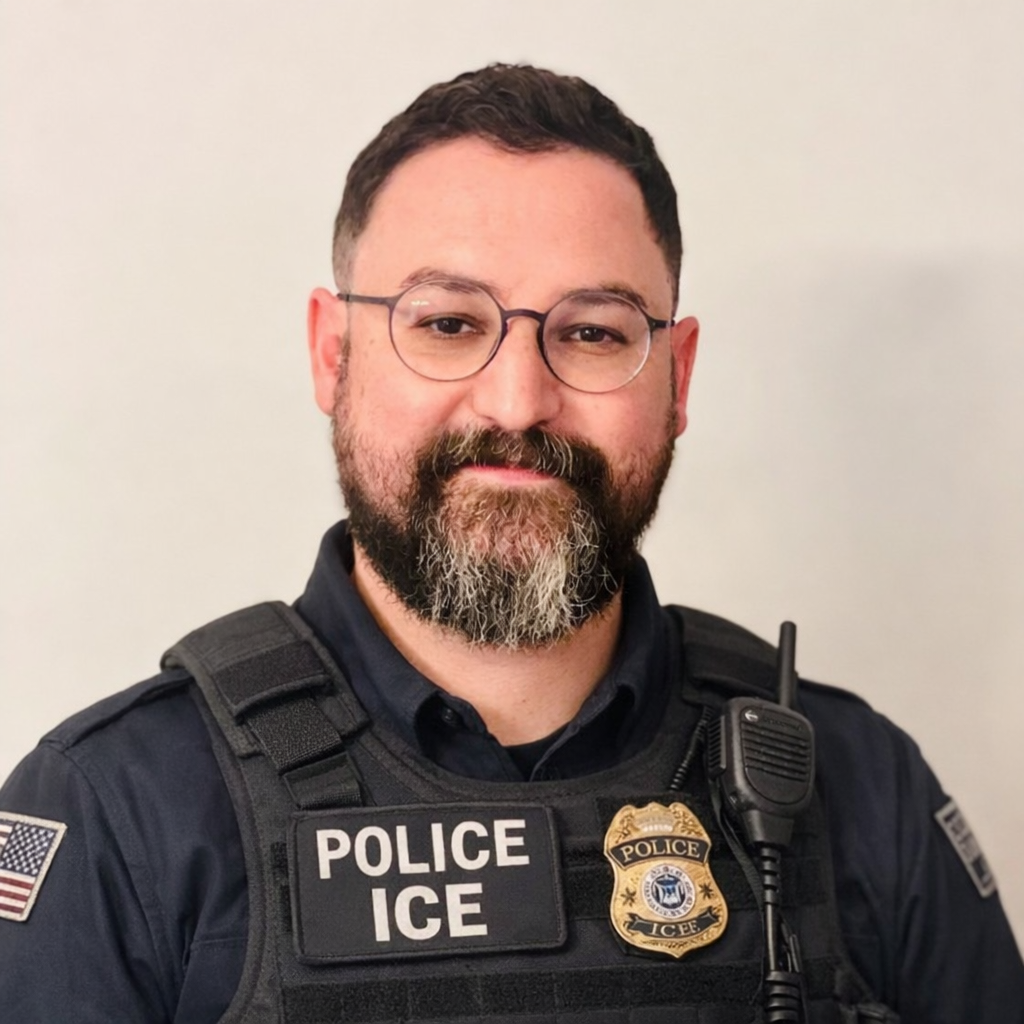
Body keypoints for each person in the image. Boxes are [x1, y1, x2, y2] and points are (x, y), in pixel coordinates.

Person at [0, 64, 1020, 1024]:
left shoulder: (859, 784)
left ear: (678, 379)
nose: (518, 401)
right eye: (448, 323)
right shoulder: (116, 808)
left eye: (593, 332)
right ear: (331, 353)